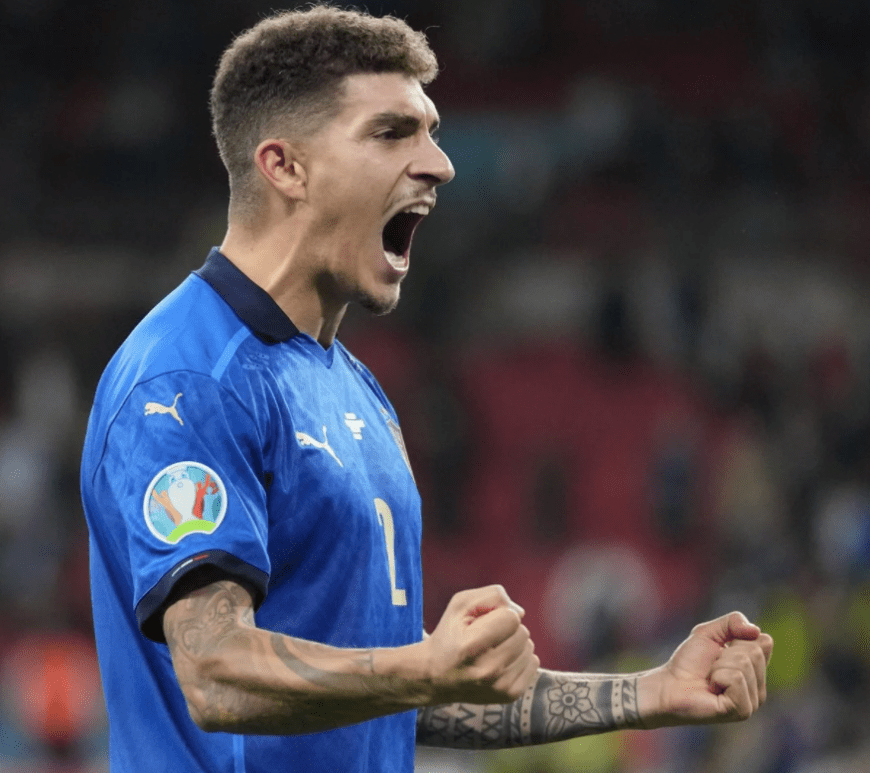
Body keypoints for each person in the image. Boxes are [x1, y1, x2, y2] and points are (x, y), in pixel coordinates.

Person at [79, 6, 773, 772]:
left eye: (431, 133)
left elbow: (392, 690)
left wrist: (649, 691)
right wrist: (423, 666)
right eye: (391, 133)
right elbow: (214, 671)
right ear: (285, 167)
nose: (439, 164)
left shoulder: (356, 392)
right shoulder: (186, 379)